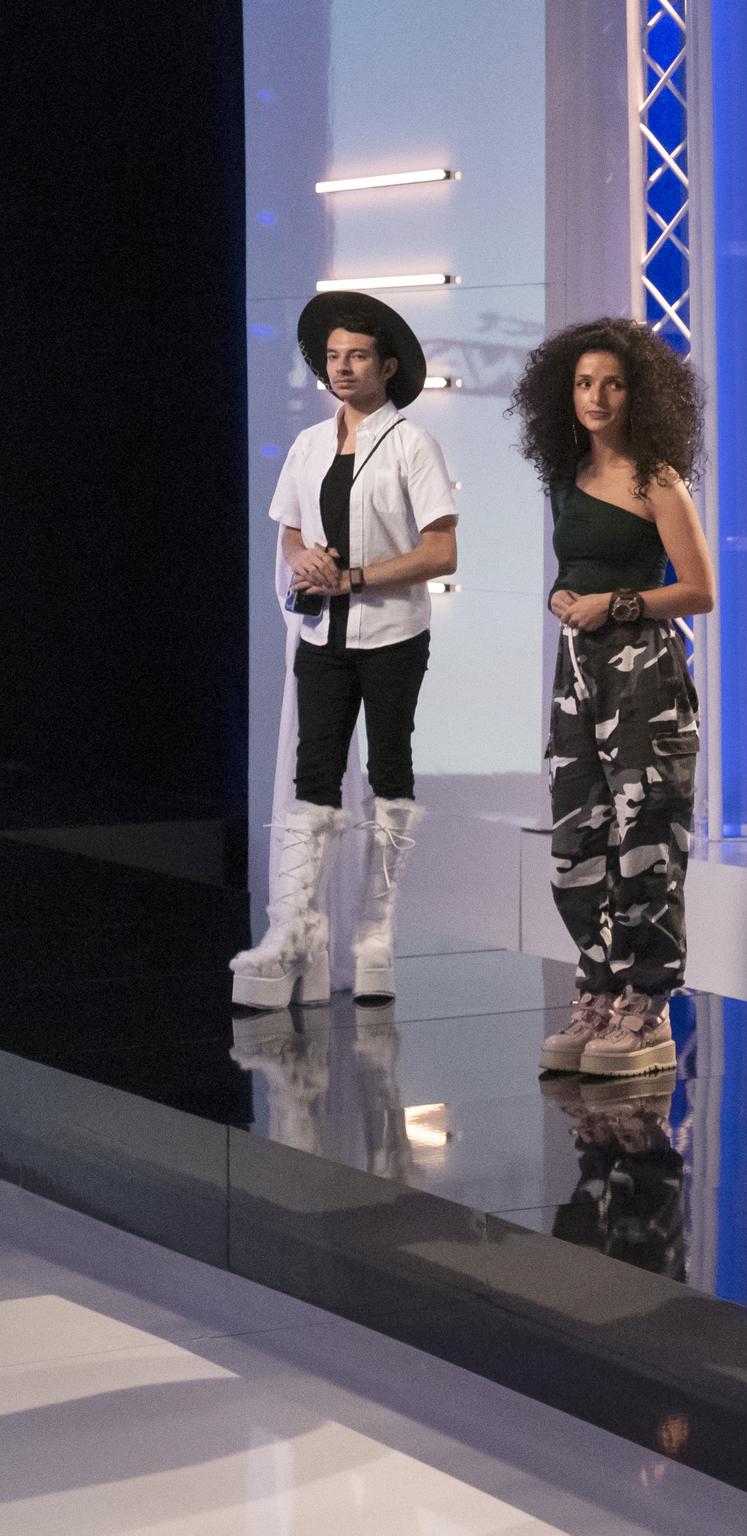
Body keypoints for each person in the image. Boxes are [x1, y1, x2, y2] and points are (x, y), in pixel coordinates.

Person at [233, 291, 458, 1010]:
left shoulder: (413, 444)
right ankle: (293, 936)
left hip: (392, 634)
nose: (342, 367)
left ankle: (375, 939)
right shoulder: (307, 445)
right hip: (321, 635)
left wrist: (355, 576)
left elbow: (441, 550)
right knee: (313, 779)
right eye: (333, 356)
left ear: (388, 366)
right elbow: (290, 534)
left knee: (389, 775)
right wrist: (307, 566)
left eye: (357, 355)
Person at [509, 318, 714, 1077]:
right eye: (584, 383)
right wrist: (568, 598)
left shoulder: (657, 477)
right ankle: (598, 987)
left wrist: (615, 606)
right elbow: (583, 569)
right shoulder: (566, 476)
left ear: (640, 394)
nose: (596, 396)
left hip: (643, 679)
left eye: (613, 383)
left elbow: (699, 591)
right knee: (577, 842)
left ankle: (646, 1007)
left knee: (645, 843)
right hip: (577, 676)